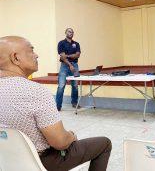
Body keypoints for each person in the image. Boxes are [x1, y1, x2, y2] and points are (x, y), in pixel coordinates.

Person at [0, 36, 112, 171]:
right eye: (31, 50)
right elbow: (60, 142)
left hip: (7, 160)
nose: (36, 55)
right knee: (104, 144)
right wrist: (71, 136)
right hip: (40, 162)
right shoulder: (35, 91)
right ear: (16, 58)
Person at [56, 28, 81, 111]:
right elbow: (62, 57)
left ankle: (74, 103)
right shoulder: (61, 43)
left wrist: (68, 56)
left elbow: (77, 55)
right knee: (61, 86)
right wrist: (70, 65)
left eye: (72, 32)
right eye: (69, 31)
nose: (71, 33)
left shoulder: (76, 44)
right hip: (64, 66)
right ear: (65, 33)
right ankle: (58, 106)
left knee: (75, 86)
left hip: (75, 65)